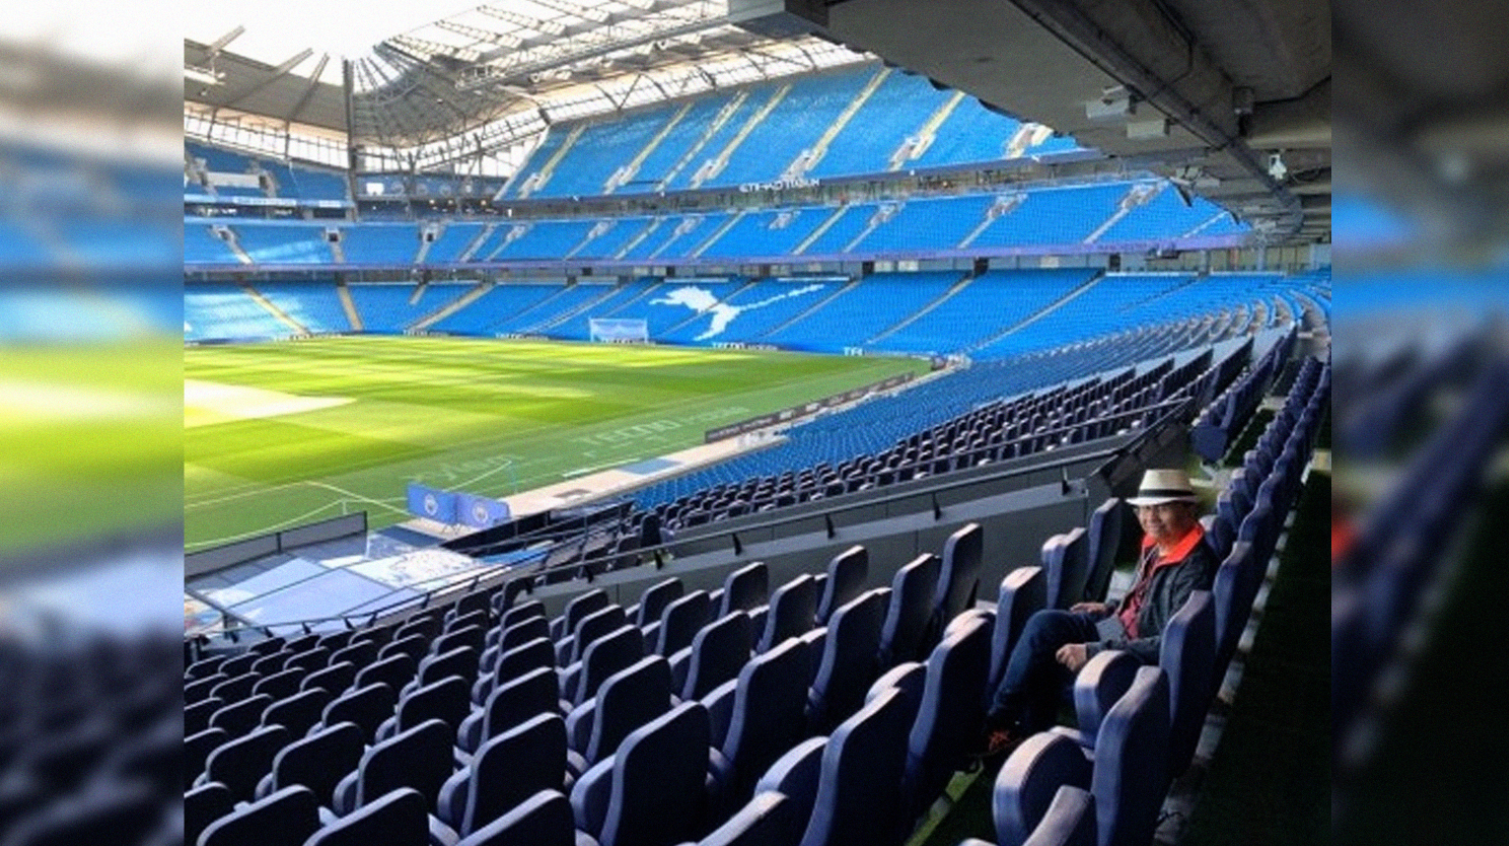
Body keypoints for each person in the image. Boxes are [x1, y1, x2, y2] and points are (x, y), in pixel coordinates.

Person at [980, 468, 1219, 755]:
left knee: (1047, 658)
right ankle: (1006, 723)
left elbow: (1171, 644)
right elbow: (1145, 600)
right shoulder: (1159, 543)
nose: (1150, 518)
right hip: (1119, 627)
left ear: (1188, 509)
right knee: (1045, 626)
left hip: (1133, 652)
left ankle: (1008, 731)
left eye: (1162, 508)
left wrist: (1092, 651)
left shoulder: (1195, 570)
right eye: (1144, 509)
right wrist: (1111, 607)